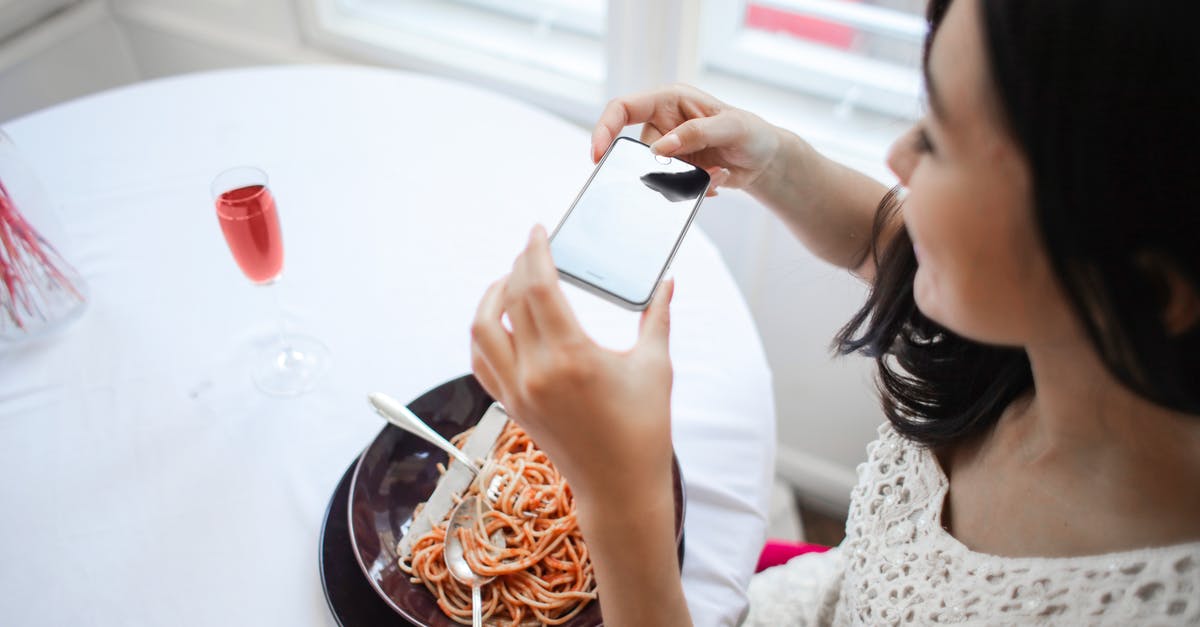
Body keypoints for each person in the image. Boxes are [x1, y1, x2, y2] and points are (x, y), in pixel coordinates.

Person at [468, 0, 1200, 623]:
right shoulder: (1033, 338)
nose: (897, 155)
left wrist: (619, 503)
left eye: (941, 141)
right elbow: (890, 241)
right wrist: (774, 161)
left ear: (1141, 289)